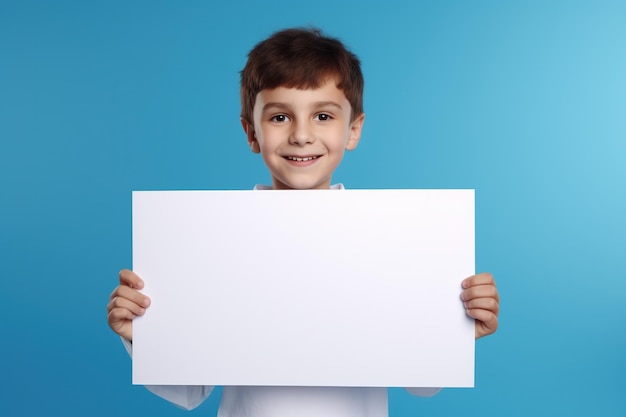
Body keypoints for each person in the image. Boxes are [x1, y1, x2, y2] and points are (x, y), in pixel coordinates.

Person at [107, 27, 500, 417]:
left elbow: (422, 384)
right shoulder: (217, 240)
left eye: (323, 115)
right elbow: (190, 390)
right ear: (251, 132)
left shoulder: (387, 241)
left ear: (354, 129)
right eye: (280, 116)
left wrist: (460, 328)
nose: (301, 135)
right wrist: (141, 337)